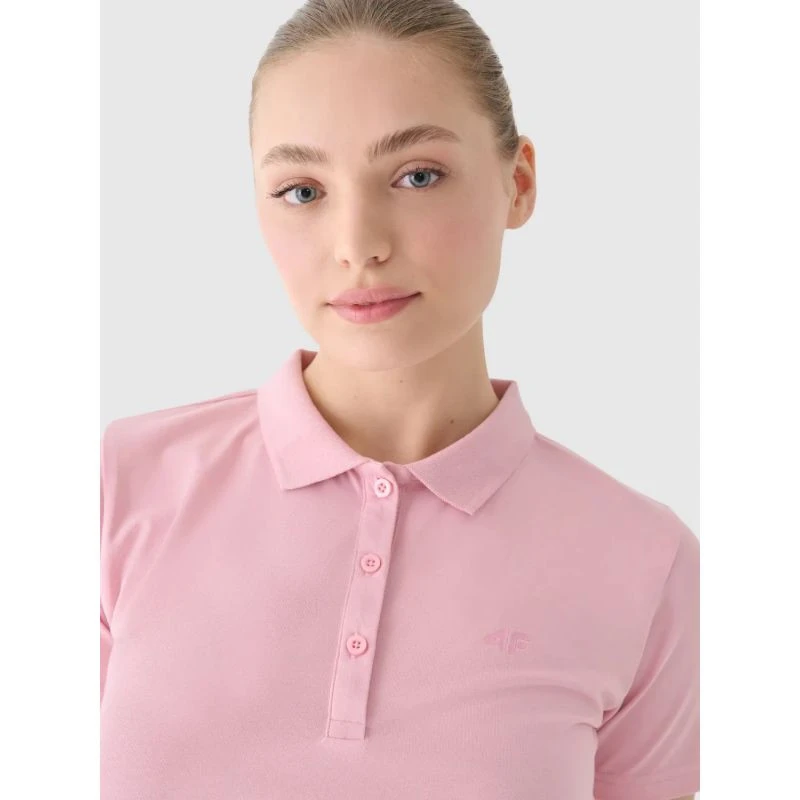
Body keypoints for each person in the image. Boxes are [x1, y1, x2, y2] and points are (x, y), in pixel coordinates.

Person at [100, 2, 699, 799]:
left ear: (518, 183)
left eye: (417, 176)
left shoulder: (644, 562)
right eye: (302, 190)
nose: (359, 244)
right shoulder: (115, 489)